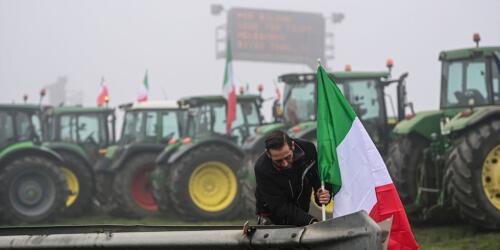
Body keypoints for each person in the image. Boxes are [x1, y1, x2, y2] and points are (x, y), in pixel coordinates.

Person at [254, 130, 332, 226]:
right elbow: (279, 206)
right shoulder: (262, 169)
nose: (285, 164)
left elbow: (318, 177)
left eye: (287, 157)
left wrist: (322, 192)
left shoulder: (308, 149)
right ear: (268, 154)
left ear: (293, 146)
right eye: (278, 161)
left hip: (301, 208)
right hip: (273, 218)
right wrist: (310, 221)